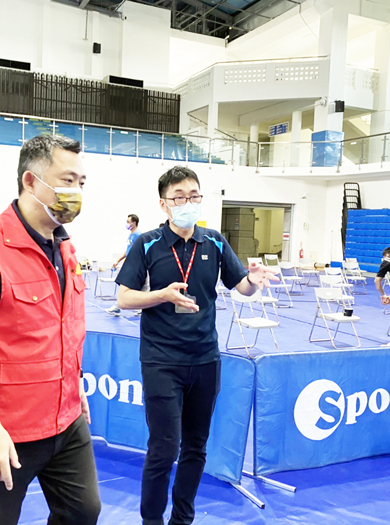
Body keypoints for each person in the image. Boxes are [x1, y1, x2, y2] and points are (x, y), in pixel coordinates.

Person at [0, 135, 101, 525]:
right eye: (67, 180)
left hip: (65, 419)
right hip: (5, 427)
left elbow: (62, 328)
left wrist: (75, 383)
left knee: (83, 512)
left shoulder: (64, 247)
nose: (76, 191)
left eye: (82, 182)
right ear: (30, 181)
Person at [114, 166, 277, 525]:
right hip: (161, 361)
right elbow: (124, 298)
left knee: (195, 448)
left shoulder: (215, 241)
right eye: (179, 197)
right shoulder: (147, 243)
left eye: (194, 196)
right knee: (163, 447)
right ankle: (152, 521)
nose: (187, 203)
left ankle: (181, 519)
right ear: (164, 204)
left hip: (205, 359)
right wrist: (161, 295)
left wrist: (253, 280)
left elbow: (242, 288)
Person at [106, 214, 141, 316]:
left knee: (125, 284)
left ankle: (117, 307)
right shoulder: (131, 235)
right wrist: (119, 260)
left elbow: (139, 250)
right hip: (130, 263)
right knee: (134, 286)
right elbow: (128, 249)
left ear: (134, 223)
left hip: (135, 264)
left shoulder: (138, 235)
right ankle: (140, 308)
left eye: (128, 222)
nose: (126, 224)